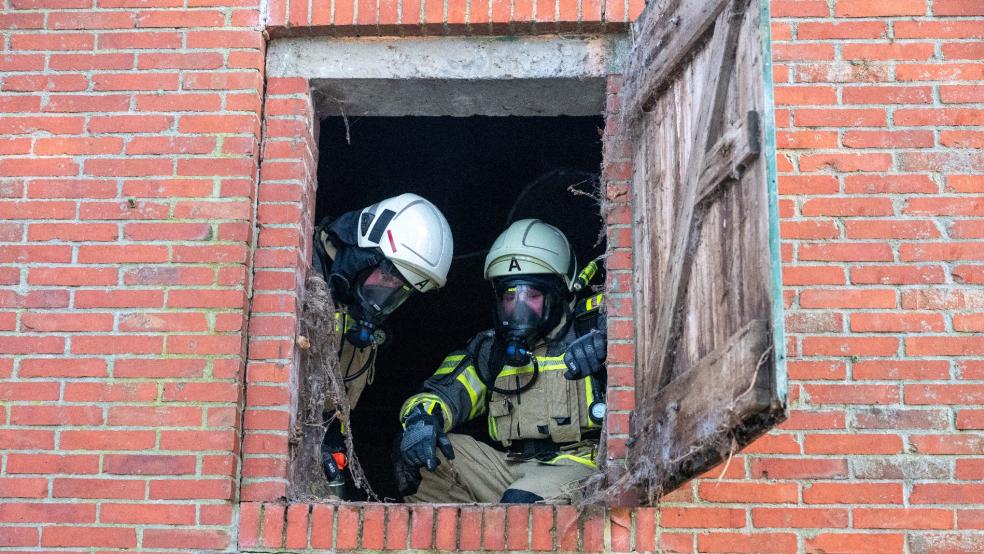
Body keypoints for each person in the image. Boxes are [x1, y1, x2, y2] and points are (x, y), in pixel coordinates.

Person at [394, 219, 607, 503]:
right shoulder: (491, 348)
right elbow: (442, 394)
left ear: (559, 292)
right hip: (510, 465)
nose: (519, 306)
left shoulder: (599, 325)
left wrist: (607, 347)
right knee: (420, 458)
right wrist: (422, 420)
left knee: (520, 504)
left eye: (532, 294)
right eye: (510, 295)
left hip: (580, 463)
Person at [312, 193, 453, 496]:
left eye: (400, 290)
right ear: (367, 255)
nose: (387, 294)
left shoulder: (356, 307)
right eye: (389, 277)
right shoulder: (302, 274)